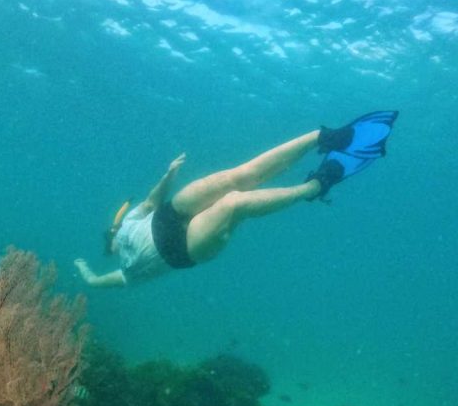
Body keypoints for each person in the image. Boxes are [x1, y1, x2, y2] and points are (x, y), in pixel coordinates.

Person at [75, 111, 398, 287]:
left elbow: (149, 201)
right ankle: (316, 186)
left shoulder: (128, 223)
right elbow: (97, 282)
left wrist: (169, 174)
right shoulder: (126, 272)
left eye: (112, 235)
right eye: (111, 241)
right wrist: (86, 271)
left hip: (168, 215)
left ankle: (325, 136)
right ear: (111, 249)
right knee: (235, 203)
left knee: (237, 176)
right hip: (184, 250)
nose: (113, 237)